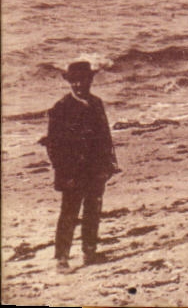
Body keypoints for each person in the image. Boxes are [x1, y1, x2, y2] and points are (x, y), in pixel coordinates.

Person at [41, 60, 119, 273]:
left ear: (90, 80)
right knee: (69, 212)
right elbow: (53, 146)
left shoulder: (96, 103)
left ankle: (89, 250)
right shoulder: (60, 108)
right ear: (69, 83)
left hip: (96, 168)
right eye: (74, 81)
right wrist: (63, 172)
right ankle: (62, 258)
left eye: (82, 80)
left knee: (93, 208)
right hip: (71, 171)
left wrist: (110, 163)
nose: (78, 85)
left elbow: (105, 137)